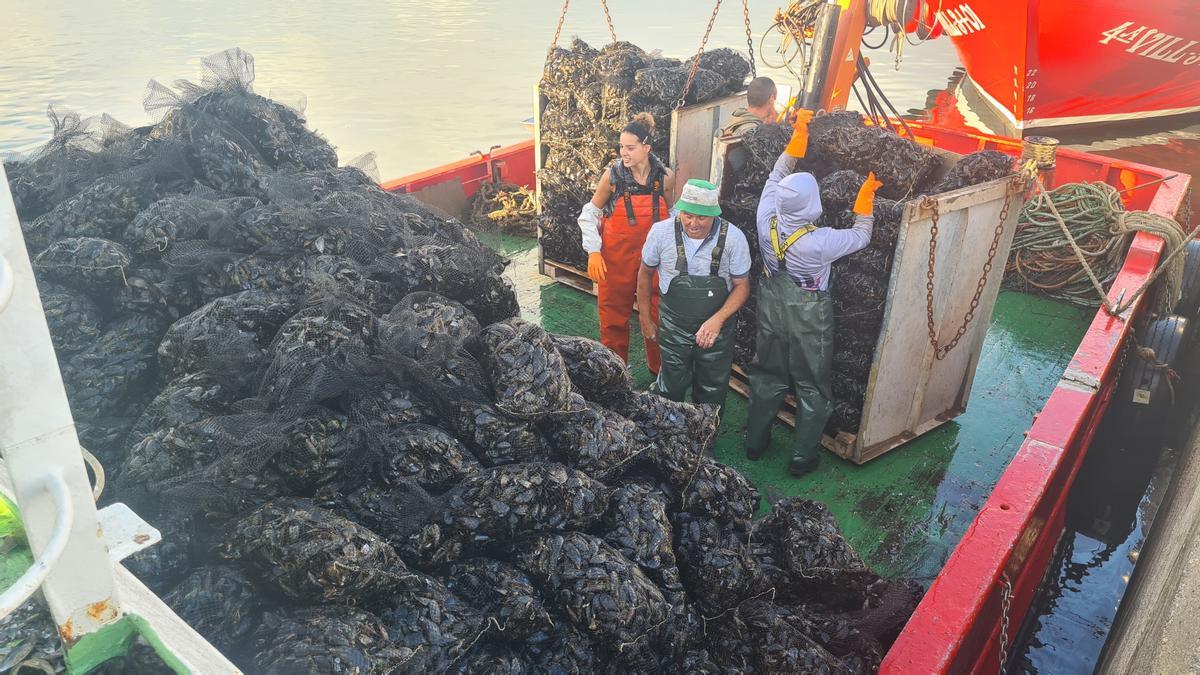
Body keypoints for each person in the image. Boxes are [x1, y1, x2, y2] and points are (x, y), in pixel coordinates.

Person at [743, 110, 883, 476]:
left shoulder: (765, 214)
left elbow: (776, 175)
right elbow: (861, 236)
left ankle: (755, 444)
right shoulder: (820, 243)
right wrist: (865, 199)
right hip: (808, 313)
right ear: (813, 206)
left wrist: (797, 138)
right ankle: (802, 458)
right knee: (811, 385)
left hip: (771, 305)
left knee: (768, 375)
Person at [637, 179, 751, 410]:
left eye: (702, 217)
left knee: (711, 389)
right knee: (670, 387)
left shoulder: (734, 238)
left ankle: (705, 438)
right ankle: (668, 434)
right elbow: (645, 274)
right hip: (674, 329)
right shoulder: (660, 233)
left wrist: (717, 320)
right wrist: (645, 319)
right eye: (688, 215)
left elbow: (742, 286)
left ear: (714, 215)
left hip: (716, 334)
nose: (693, 223)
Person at [577, 112, 674, 373]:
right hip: (616, 258)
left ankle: (658, 371)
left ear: (646, 148)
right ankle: (615, 372)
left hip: (654, 259)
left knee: (657, 313)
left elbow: (674, 216)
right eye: (621, 147)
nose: (624, 153)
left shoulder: (665, 177)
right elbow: (589, 214)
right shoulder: (612, 177)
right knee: (612, 316)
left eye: (630, 148)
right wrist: (594, 252)